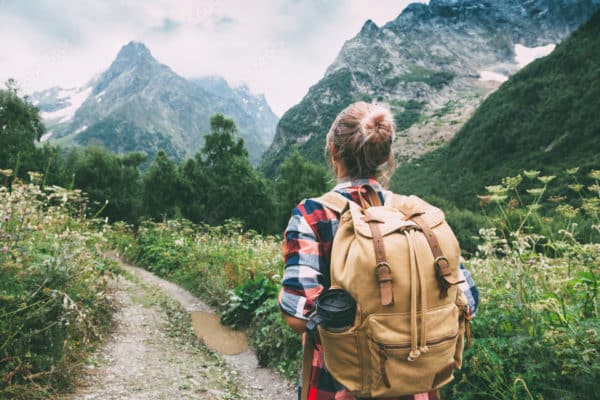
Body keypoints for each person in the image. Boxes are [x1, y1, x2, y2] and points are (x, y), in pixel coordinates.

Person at [278, 101, 478, 400]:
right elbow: (468, 301)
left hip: (336, 387)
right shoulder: (415, 216)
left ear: (334, 151)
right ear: (386, 156)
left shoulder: (313, 215)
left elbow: (298, 316)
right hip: (416, 386)